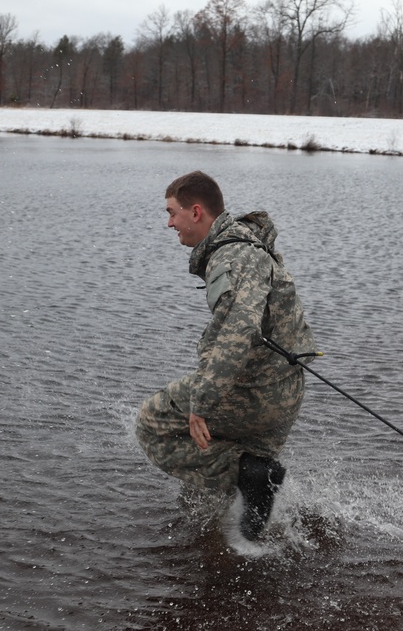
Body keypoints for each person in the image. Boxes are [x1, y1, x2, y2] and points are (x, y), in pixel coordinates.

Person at [136, 170, 316, 540]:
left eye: (172, 213)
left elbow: (237, 332)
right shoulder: (247, 246)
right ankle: (251, 541)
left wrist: (201, 403)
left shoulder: (231, 258)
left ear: (196, 212)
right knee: (240, 472)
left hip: (258, 392)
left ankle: (251, 477)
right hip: (285, 390)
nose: (169, 223)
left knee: (151, 423)